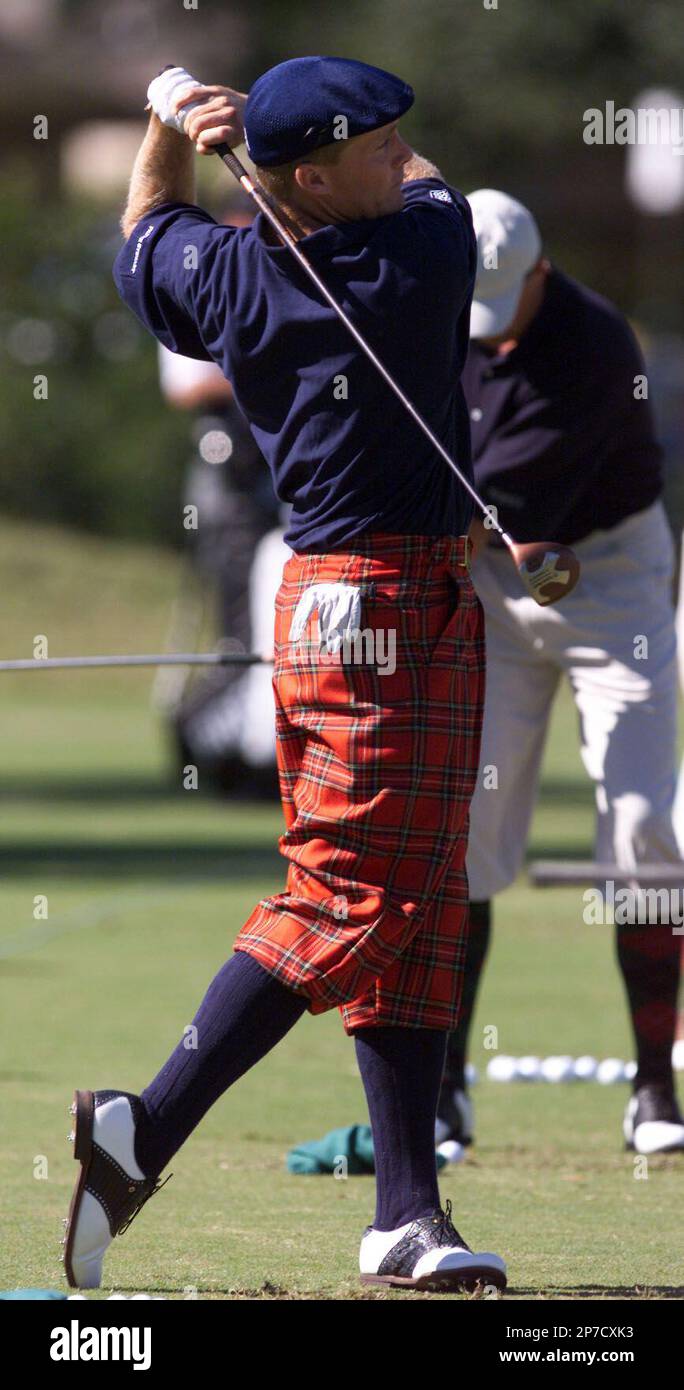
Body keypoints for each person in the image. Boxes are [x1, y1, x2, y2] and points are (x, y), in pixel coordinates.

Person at [62, 58, 506, 1294]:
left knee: (416, 899)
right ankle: (141, 1128)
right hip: (381, 604)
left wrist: (165, 122)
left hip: (343, 598)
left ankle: (406, 1214)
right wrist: (239, 141)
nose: (403, 154)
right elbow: (429, 188)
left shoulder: (225, 272)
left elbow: (145, 228)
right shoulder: (421, 255)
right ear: (313, 174)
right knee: (351, 898)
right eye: (377, 145)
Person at [436, 189, 684, 1159]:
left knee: (643, 830)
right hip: (491, 587)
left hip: (607, 578)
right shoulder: (433, 312)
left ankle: (655, 1089)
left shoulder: (595, 347)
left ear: (541, 272)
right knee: (468, 827)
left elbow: (518, 523)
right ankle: (445, 1090)